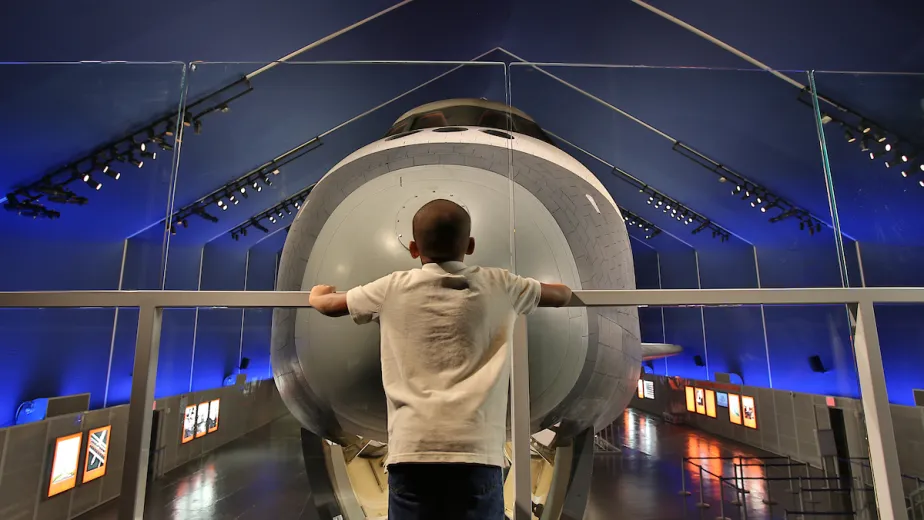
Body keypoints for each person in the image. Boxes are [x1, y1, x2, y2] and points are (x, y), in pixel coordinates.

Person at [308, 198, 572, 519]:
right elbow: (561, 295)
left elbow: (330, 306)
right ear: (470, 245)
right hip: (478, 455)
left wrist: (316, 294)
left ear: (413, 249)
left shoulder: (392, 287)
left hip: (411, 453)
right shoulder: (502, 284)